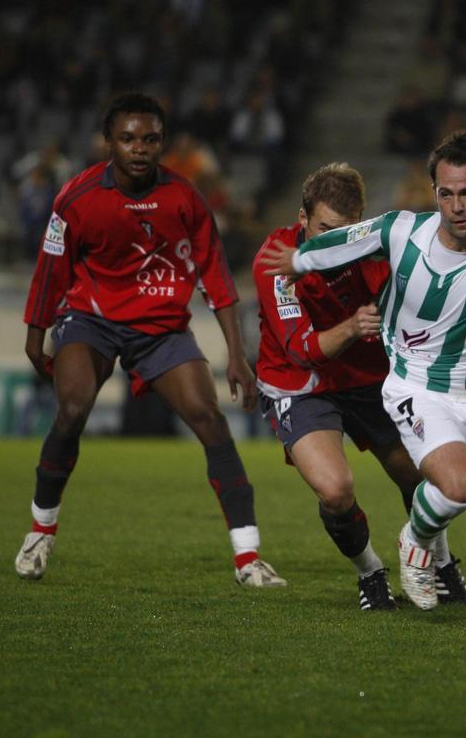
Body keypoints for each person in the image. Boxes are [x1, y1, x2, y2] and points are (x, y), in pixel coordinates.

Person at [261, 131, 466, 620]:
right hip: (415, 387)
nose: (456, 206)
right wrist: (298, 259)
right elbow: (343, 241)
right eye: (446, 193)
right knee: (455, 486)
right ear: (435, 193)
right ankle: (415, 544)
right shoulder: (402, 231)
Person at [15, 92, 284, 587]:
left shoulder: (184, 198)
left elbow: (216, 277)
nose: (140, 148)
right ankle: (41, 529)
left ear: (162, 143)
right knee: (72, 411)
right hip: (90, 318)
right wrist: (36, 334)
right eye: (128, 138)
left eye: (150, 139)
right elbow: (50, 269)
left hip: (160, 326)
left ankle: (248, 559)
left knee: (210, 421)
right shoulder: (75, 198)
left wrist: (236, 355)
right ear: (108, 143)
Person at [253, 162, 466, 611]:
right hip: (302, 384)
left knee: (421, 473)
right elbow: (302, 350)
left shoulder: (376, 252)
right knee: (334, 489)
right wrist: (352, 328)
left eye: (345, 232)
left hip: (370, 380)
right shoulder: (277, 260)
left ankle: (440, 564)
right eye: (324, 229)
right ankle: (370, 572)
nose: (333, 242)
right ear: (302, 218)